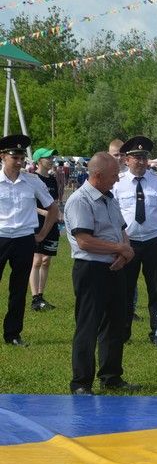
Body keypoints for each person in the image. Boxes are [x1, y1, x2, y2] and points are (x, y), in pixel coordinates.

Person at [64, 153, 136, 395]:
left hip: (115, 268)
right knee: (88, 326)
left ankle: (111, 375)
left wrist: (124, 254)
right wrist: (120, 249)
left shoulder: (109, 198)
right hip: (91, 270)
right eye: (114, 175)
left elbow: (121, 229)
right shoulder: (80, 201)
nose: (117, 179)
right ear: (97, 175)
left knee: (116, 324)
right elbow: (84, 241)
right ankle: (81, 382)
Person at [113, 135, 157, 347]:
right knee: (125, 290)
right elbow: (112, 215)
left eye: (144, 157)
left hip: (154, 241)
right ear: (126, 160)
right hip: (128, 243)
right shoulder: (118, 184)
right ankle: (122, 333)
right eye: (136, 157)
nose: (141, 162)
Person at [0, 134, 59, 346]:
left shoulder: (32, 181)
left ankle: (13, 334)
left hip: (25, 239)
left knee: (18, 290)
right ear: (3, 156)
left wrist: (42, 235)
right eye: (14, 156)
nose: (19, 161)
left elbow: (52, 208)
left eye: (21, 156)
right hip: (1, 237)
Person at [28, 147, 64, 312]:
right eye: (48, 157)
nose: (51, 160)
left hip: (51, 225)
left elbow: (54, 202)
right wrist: (44, 212)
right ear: (38, 160)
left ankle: (41, 295)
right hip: (36, 223)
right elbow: (29, 204)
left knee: (46, 260)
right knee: (36, 260)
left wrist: (58, 213)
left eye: (52, 157)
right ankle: (35, 299)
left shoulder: (52, 179)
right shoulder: (32, 179)